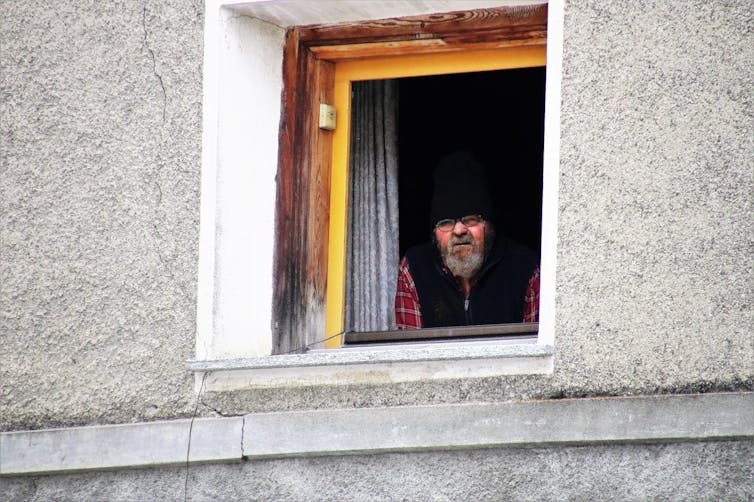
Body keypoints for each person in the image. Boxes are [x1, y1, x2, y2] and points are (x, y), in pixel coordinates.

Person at [394, 151, 540, 329]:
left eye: (470, 220)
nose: (459, 230)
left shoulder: (525, 269)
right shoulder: (414, 268)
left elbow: (534, 353)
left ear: (489, 226)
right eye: (446, 223)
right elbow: (413, 352)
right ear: (435, 233)